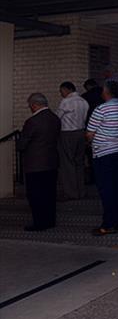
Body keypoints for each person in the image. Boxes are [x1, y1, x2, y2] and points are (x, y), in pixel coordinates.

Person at [86, 81, 118, 236]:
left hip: (103, 153)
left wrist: (91, 141)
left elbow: (90, 133)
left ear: (106, 92)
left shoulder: (101, 109)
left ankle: (109, 223)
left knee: (107, 190)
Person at [17, 93, 61, 231]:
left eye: (30, 105)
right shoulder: (55, 119)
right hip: (51, 162)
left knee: (35, 195)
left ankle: (39, 223)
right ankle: (50, 220)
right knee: (49, 194)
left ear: (34, 105)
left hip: (35, 164)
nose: (30, 108)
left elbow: (22, 144)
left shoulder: (32, 122)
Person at [56, 81, 89, 200]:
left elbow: (58, 118)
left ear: (66, 89)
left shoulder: (66, 102)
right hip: (81, 132)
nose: (61, 94)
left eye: (61, 91)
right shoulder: (83, 101)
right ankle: (81, 191)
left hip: (67, 133)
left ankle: (71, 193)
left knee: (67, 164)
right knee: (79, 163)